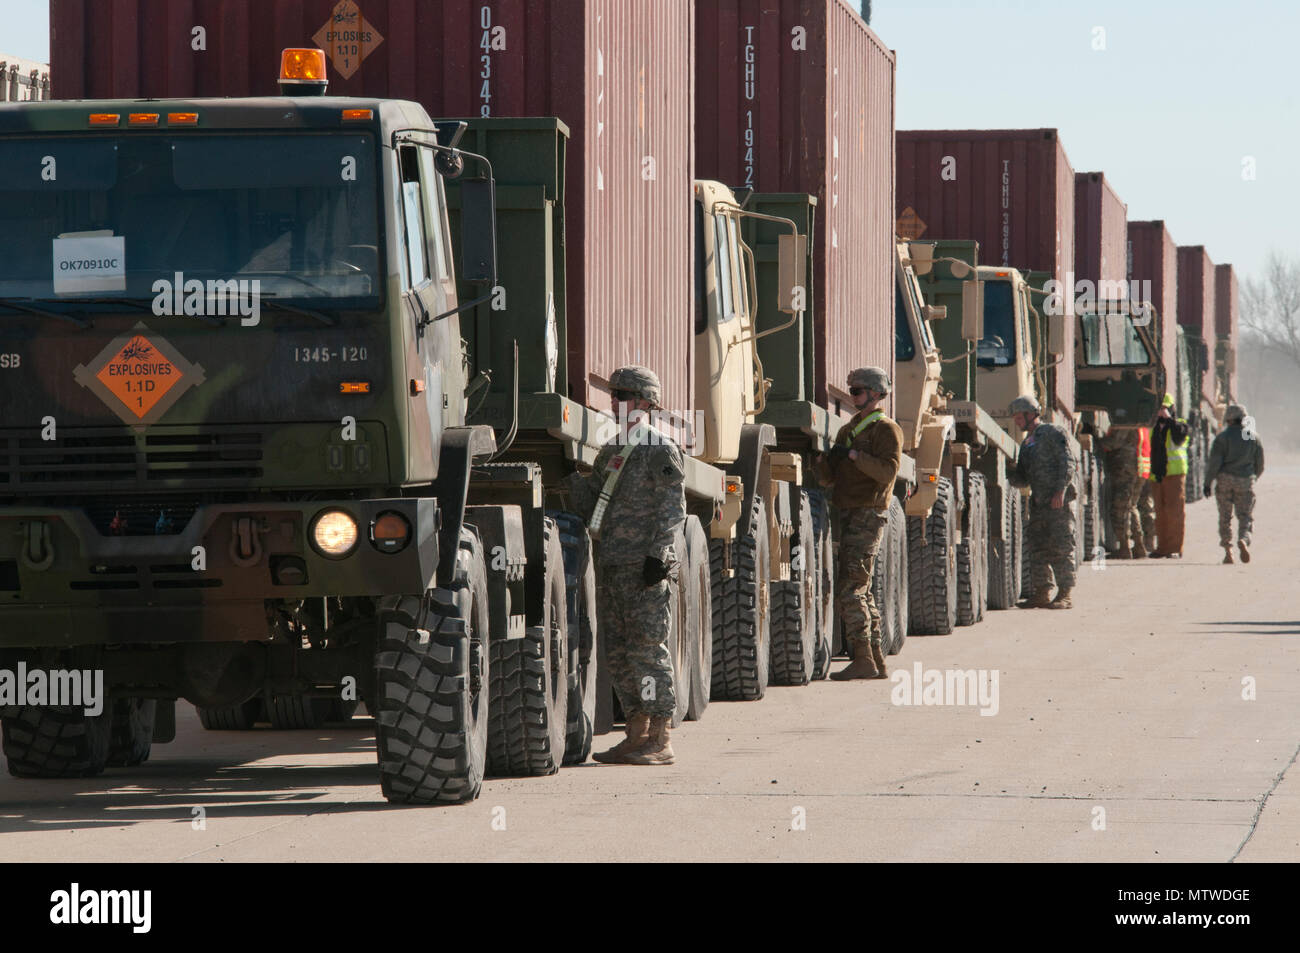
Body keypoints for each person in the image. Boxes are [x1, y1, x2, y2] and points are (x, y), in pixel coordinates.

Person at [564, 365, 685, 765]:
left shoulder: (660, 449)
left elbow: (673, 510)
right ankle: (635, 732)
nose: (614, 402)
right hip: (612, 565)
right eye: (613, 395)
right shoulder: (611, 451)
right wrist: (569, 478)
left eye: (622, 395)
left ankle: (660, 737)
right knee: (618, 652)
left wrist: (659, 556)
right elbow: (593, 507)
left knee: (647, 651)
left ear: (645, 403)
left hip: (644, 570)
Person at [814, 366, 902, 681]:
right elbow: (829, 479)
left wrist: (853, 456)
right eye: (851, 391)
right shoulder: (849, 428)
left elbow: (888, 472)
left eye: (858, 391)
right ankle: (876, 661)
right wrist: (826, 463)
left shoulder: (885, 429)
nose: (853, 397)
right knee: (861, 590)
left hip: (869, 513)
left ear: (876, 394)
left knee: (852, 589)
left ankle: (864, 658)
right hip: (849, 512)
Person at [1007, 394, 1077, 609]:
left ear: (1031, 415)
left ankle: (1065, 594)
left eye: (1019, 418)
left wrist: (1060, 492)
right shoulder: (1027, 443)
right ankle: (1042, 592)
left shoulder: (1052, 432)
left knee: (1061, 546)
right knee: (1037, 547)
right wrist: (1007, 471)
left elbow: (1068, 462)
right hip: (1039, 504)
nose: (1017, 422)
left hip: (1058, 502)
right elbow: (1022, 478)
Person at [1204, 403, 1265, 564]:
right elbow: (1260, 464)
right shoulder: (1252, 436)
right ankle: (1244, 539)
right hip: (1245, 480)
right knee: (1245, 516)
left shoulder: (1222, 438)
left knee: (1225, 517)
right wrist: (1252, 478)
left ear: (1228, 419)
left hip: (1224, 480)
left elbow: (1214, 464)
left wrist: (1207, 483)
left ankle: (1228, 551)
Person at [1149, 394, 1190, 559]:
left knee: (1174, 512)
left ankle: (1175, 548)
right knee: (1160, 513)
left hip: (1174, 474)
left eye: (1165, 408)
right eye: (1160, 408)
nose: (1161, 412)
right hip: (1157, 475)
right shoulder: (1153, 426)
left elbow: (1179, 437)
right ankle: (1162, 547)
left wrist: (1169, 420)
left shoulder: (1180, 425)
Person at [1099, 427, 1144, 558]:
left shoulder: (1125, 423)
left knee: (1120, 509)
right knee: (1129, 507)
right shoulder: (1135, 421)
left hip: (1124, 469)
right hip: (1131, 468)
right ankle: (1138, 545)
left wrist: (1096, 441)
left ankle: (1124, 548)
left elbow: (1114, 442)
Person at [1135, 426, 1155, 556]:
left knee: (1132, 507)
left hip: (1138, 470)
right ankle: (1149, 542)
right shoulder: (1146, 428)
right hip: (1146, 471)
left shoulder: (1136, 428)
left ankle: (1142, 544)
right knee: (1147, 508)